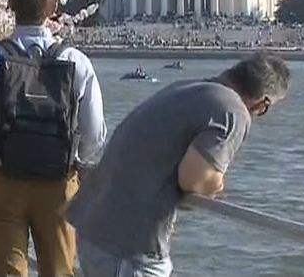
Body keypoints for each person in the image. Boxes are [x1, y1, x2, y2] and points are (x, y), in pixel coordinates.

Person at [67, 53, 291, 277]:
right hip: (128, 247)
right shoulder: (232, 109)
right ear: (262, 103)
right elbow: (194, 179)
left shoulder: (186, 88)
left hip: (94, 225)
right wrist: (217, 183)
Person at [0, 0, 107, 277]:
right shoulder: (76, 62)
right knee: (59, 270)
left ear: (10, 5)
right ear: (53, 9)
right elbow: (94, 136)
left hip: (2, 177)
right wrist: (78, 173)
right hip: (58, 184)